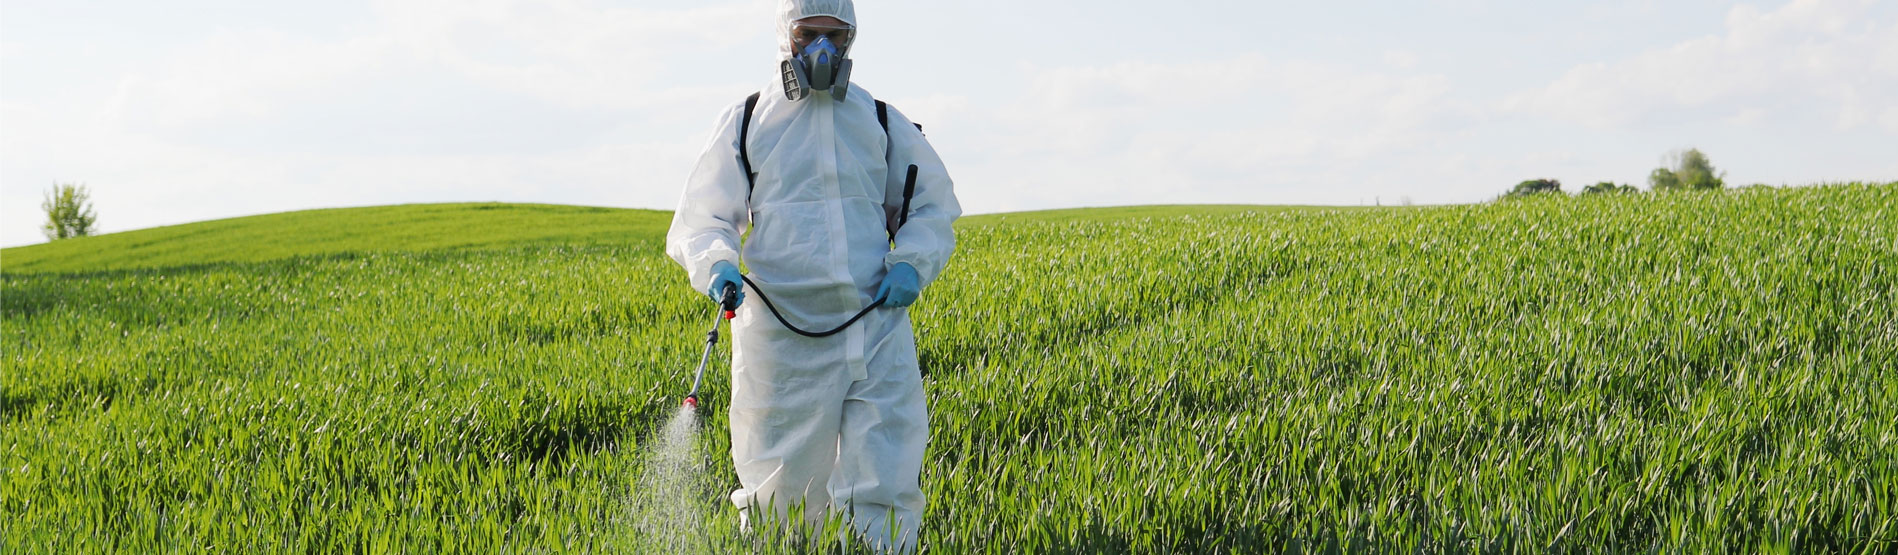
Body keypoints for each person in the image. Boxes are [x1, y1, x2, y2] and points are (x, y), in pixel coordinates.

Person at [663, 0, 960, 551]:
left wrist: (912, 263)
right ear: (785, 36)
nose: (821, 49)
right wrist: (716, 263)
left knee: (886, 480)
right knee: (780, 489)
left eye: (834, 35)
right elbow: (703, 216)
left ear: (851, 39)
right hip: (782, 337)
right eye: (808, 34)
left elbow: (932, 207)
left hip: (876, 325)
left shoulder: (880, 120)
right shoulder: (749, 120)